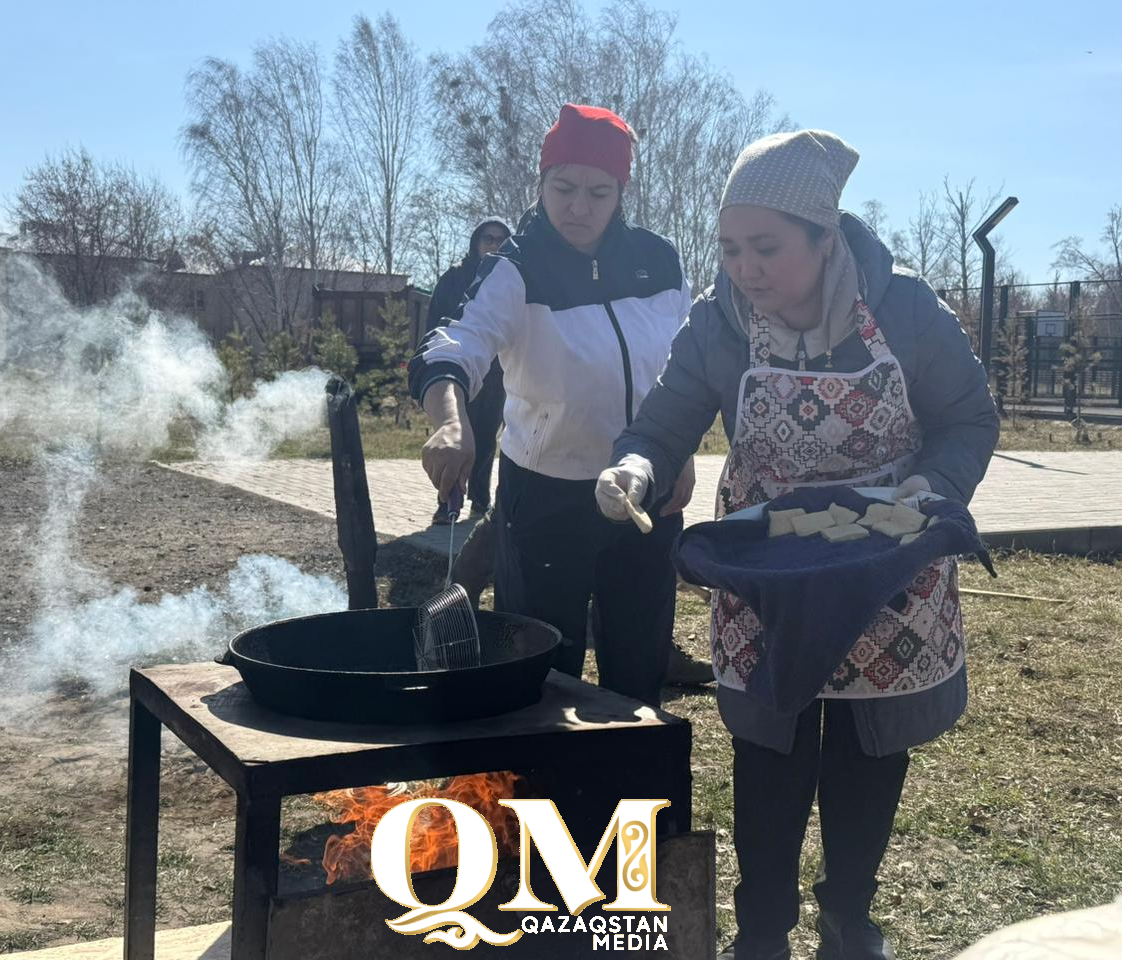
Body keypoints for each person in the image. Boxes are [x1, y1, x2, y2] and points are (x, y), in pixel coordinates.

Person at [595, 130, 999, 959]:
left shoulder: (906, 311)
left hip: (889, 567)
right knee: (769, 755)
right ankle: (763, 933)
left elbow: (967, 419)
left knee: (867, 749)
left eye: (767, 248)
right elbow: (665, 420)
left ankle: (852, 920)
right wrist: (632, 468)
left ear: (826, 237)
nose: (747, 268)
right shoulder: (720, 322)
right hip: (766, 575)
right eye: (733, 248)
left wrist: (933, 490)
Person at [408, 103, 694, 707]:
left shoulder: (659, 262)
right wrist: (452, 422)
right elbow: (452, 348)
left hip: (646, 491)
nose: (578, 206)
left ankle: (627, 793)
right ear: (540, 184)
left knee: (638, 667)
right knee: (540, 672)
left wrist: (680, 450)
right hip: (546, 500)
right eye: (562, 187)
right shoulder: (513, 269)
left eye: (598, 191)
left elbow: (688, 368)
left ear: (622, 191)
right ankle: (535, 797)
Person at [424, 217, 513, 523]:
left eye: (500, 239)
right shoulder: (454, 278)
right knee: (456, 437)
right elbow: (435, 323)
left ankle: (480, 499)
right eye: (487, 238)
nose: (494, 244)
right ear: (476, 242)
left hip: (497, 376)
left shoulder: (510, 279)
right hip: (456, 373)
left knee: (486, 438)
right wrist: (430, 367)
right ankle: (446, 503)